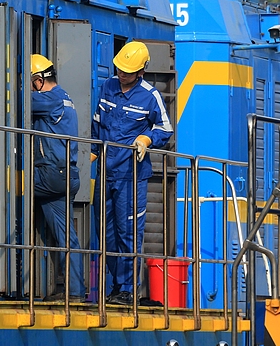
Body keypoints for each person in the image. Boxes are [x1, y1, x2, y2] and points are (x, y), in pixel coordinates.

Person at [91, 41, 173, 305]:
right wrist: (90, 155)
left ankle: (127, 288)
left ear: (141, 71)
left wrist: (147, 140)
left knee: (128, 232)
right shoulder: (107, 87)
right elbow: (97, 126)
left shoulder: (150, 96)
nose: (122, 74)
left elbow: (165, 129)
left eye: (128, 71)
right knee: (106, 232)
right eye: (119, 69)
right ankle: (115, 285)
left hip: (131, 174)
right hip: (105, 172)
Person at [30, 54, 85, 300]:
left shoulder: (48, 99)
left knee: (5, 187)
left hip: (50, 175)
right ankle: (74, 291)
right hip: (67, 175)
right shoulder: (65, 97)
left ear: (38, 80)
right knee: (66, 236)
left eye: (30, 83)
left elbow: (14, 101)